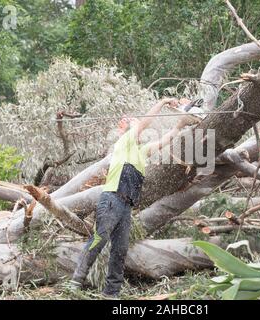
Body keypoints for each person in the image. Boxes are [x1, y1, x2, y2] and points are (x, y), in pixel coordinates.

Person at [70, 97, 190, 297]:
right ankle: (75, 283)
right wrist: (162, 102)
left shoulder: (141, 151)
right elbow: (145, 123)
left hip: (126, 207)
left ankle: (111, 292)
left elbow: (165, 140)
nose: (137, 125)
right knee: (99, 239)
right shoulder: (123, 142)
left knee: (120, 249)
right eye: (133, 123)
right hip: (111, 199)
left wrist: (181, 123)